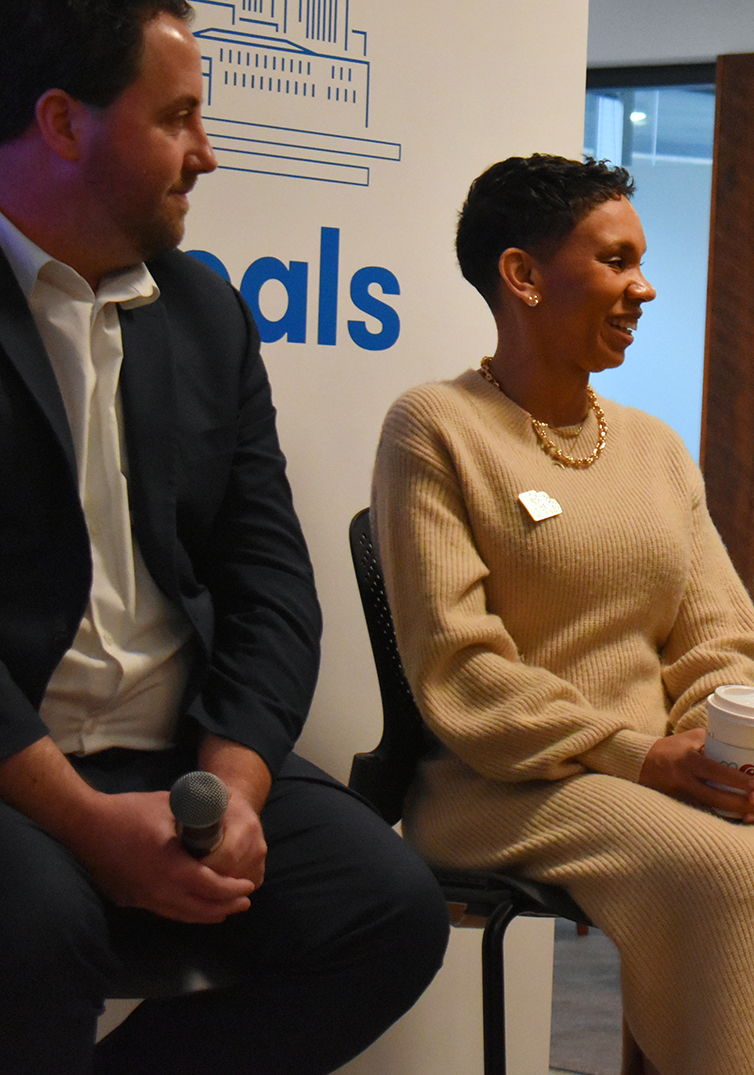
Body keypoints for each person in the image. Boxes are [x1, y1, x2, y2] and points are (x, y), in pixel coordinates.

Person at [370, 153, 754, 1075]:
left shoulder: (654, 447)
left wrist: (726, 750)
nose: (645, 286)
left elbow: (719, 633)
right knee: (721, 873)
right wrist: (644, 756)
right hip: (503, 783)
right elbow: (463, 669)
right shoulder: (434, 428)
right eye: (615, 260)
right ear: (521, 275)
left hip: (663, 768)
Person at [0, 3, 449, 1072]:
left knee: (387, 909)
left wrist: (237, 786)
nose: (208, 152)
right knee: (40, 931)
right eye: (179, 118)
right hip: (16, 764)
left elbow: (270, 583)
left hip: (179, 746)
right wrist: (83, 822)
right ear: (64, 124)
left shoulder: (205, 310)